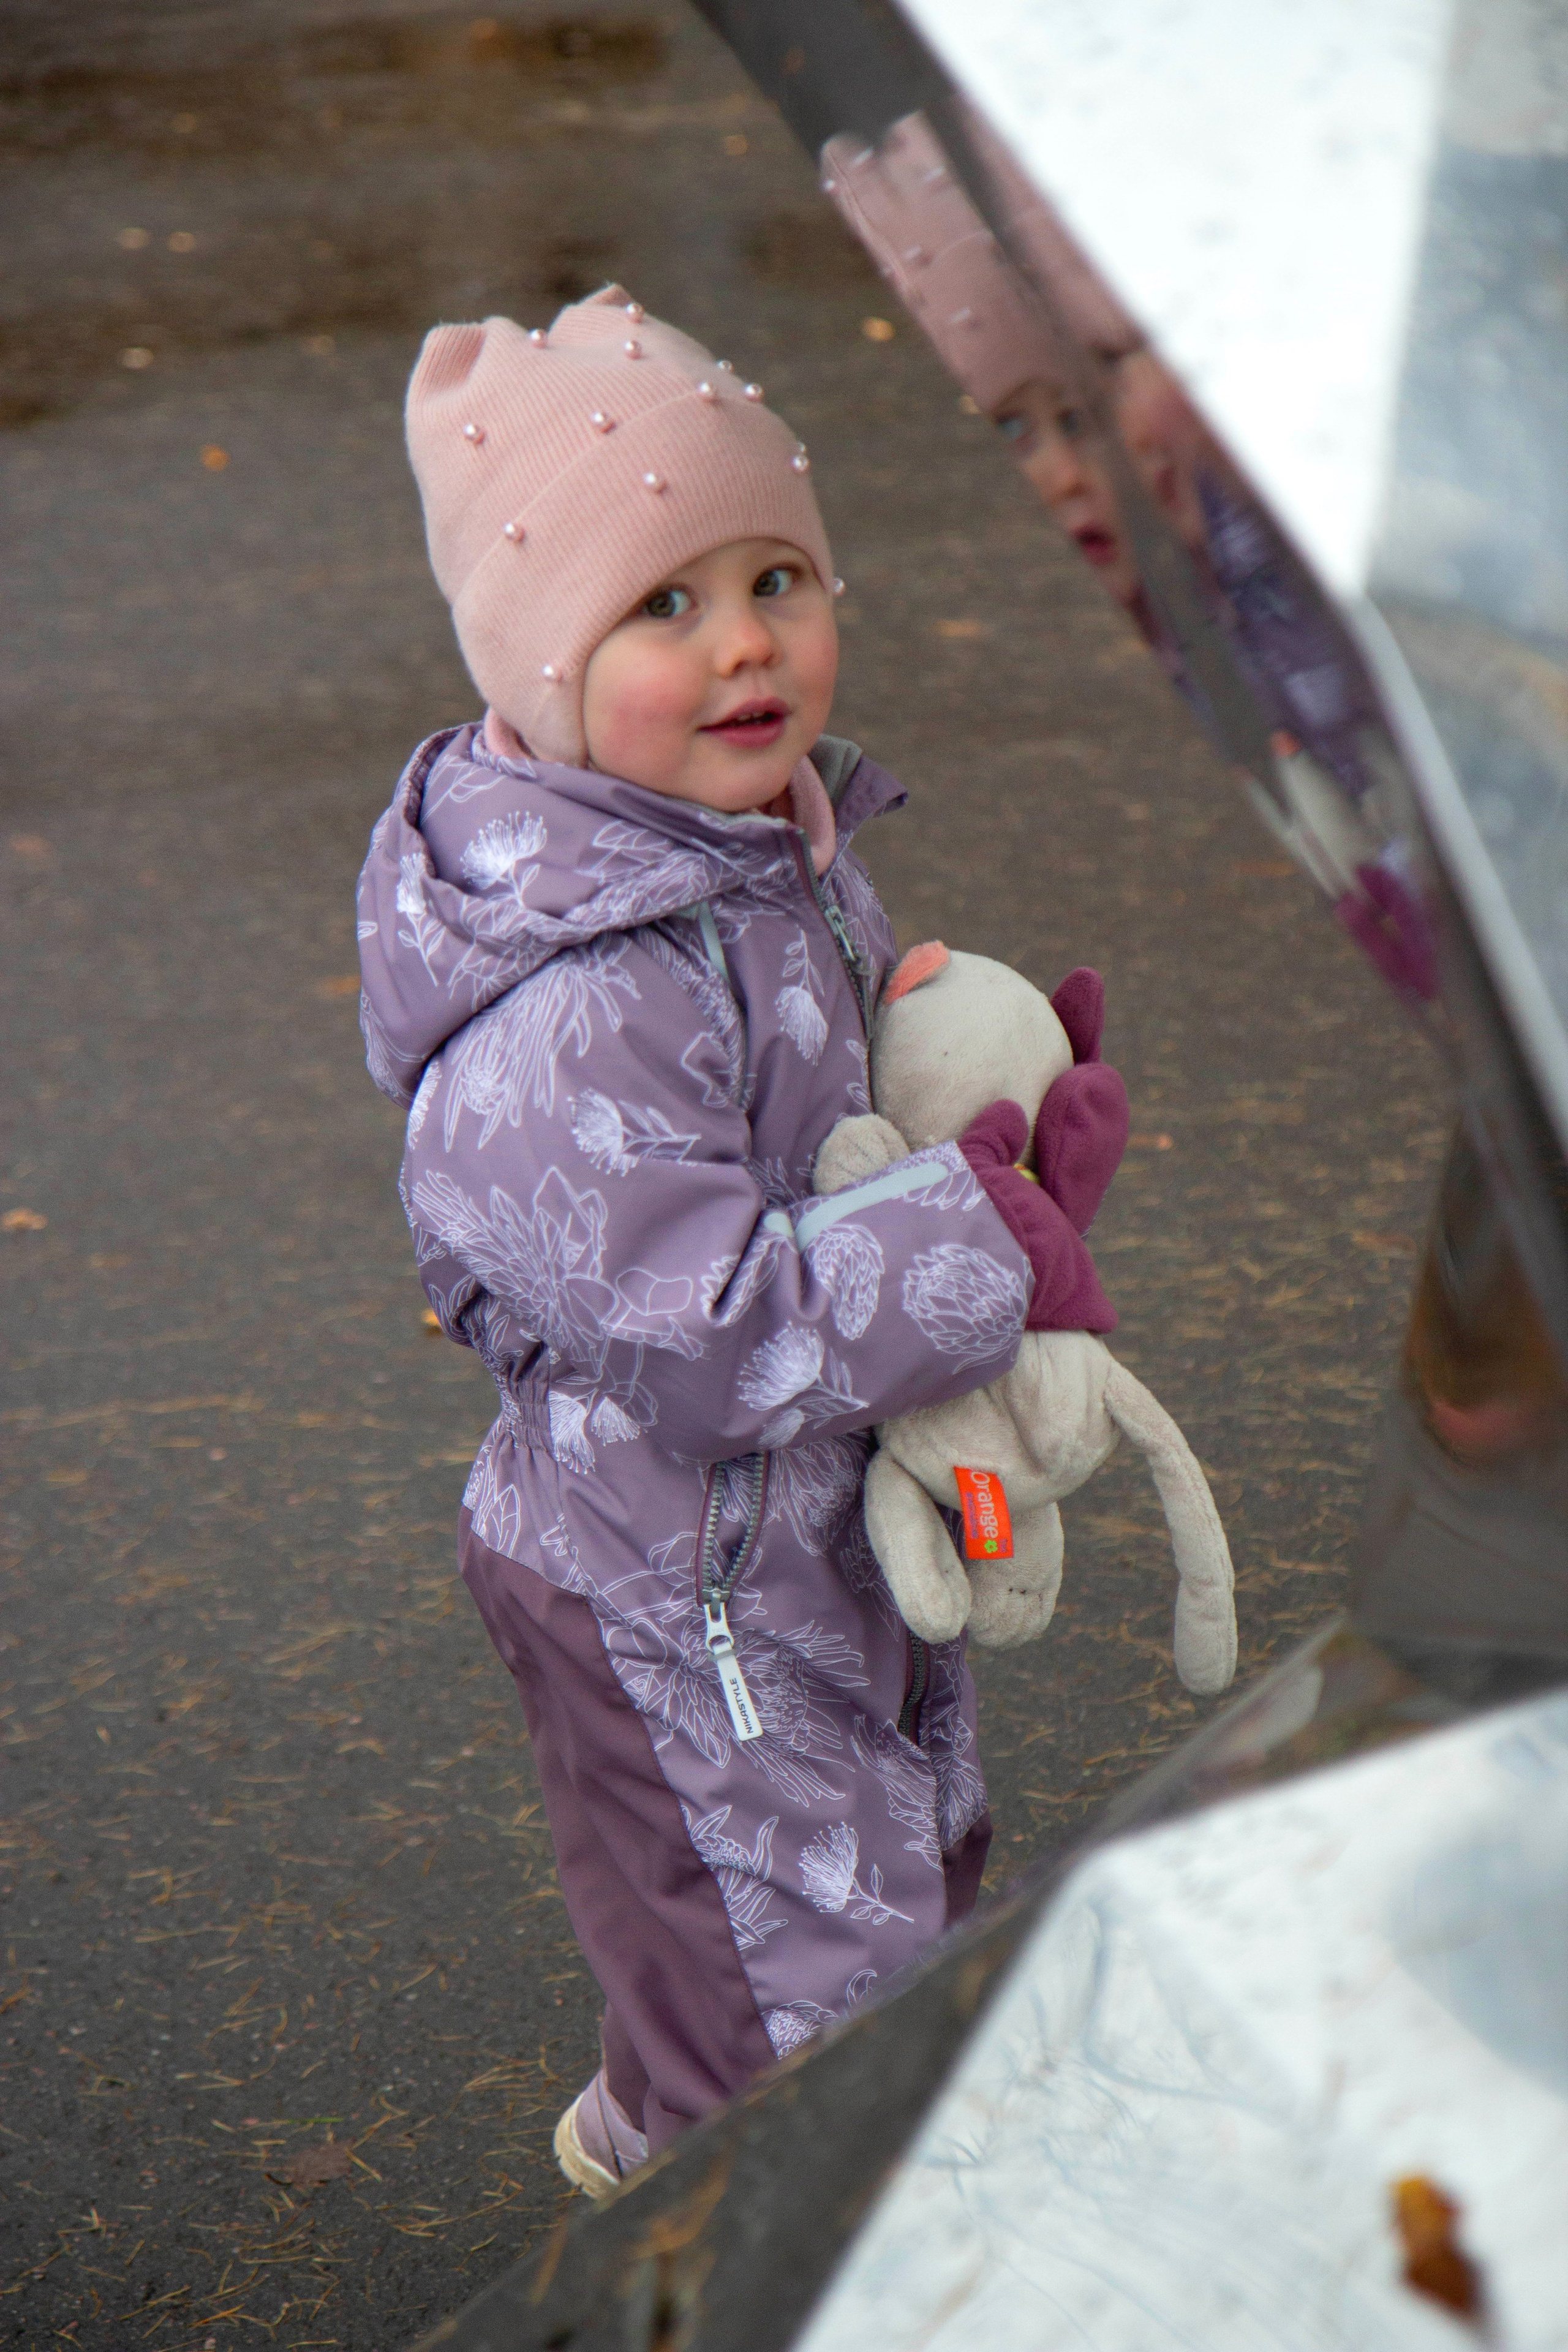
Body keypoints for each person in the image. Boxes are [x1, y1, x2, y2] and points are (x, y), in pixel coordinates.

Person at [355, 286, 1120, 2195]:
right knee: (810, 2000)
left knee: (882, 1866)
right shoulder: (568, 1006)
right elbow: (703, 1328)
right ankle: (746, 2225)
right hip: (666, 1580)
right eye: (664, 606)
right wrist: (978, 1234)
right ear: (541, 663)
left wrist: (961, 1082)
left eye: (778, 575)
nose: (748, 642)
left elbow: (824, 1110)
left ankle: (661, 2125)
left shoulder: (765, 846)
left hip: (810, 1525)